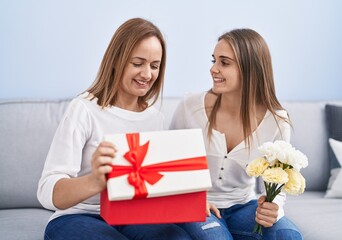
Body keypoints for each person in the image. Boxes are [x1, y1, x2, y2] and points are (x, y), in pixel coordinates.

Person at [37, 18, 192, 240]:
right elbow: (46, 191)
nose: (147, 75)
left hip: (133, 218)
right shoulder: (84, 109)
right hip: (79, 216)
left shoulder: (155, 118)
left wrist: (190, 197)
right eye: (137, 63)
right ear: (116, 61)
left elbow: (154, 189)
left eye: (154, 66)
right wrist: (95, 181)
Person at [170, 28, 303, 239]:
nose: (213, 69)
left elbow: (277, 184)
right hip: (197, 206)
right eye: (214, 60)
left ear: (251, 69)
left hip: (243, 206)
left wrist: (274, 207)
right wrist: (191, 199)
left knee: (287, 234)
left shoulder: (276, 120)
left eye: (224, 62)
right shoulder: (189, 107)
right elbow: (168, 165)